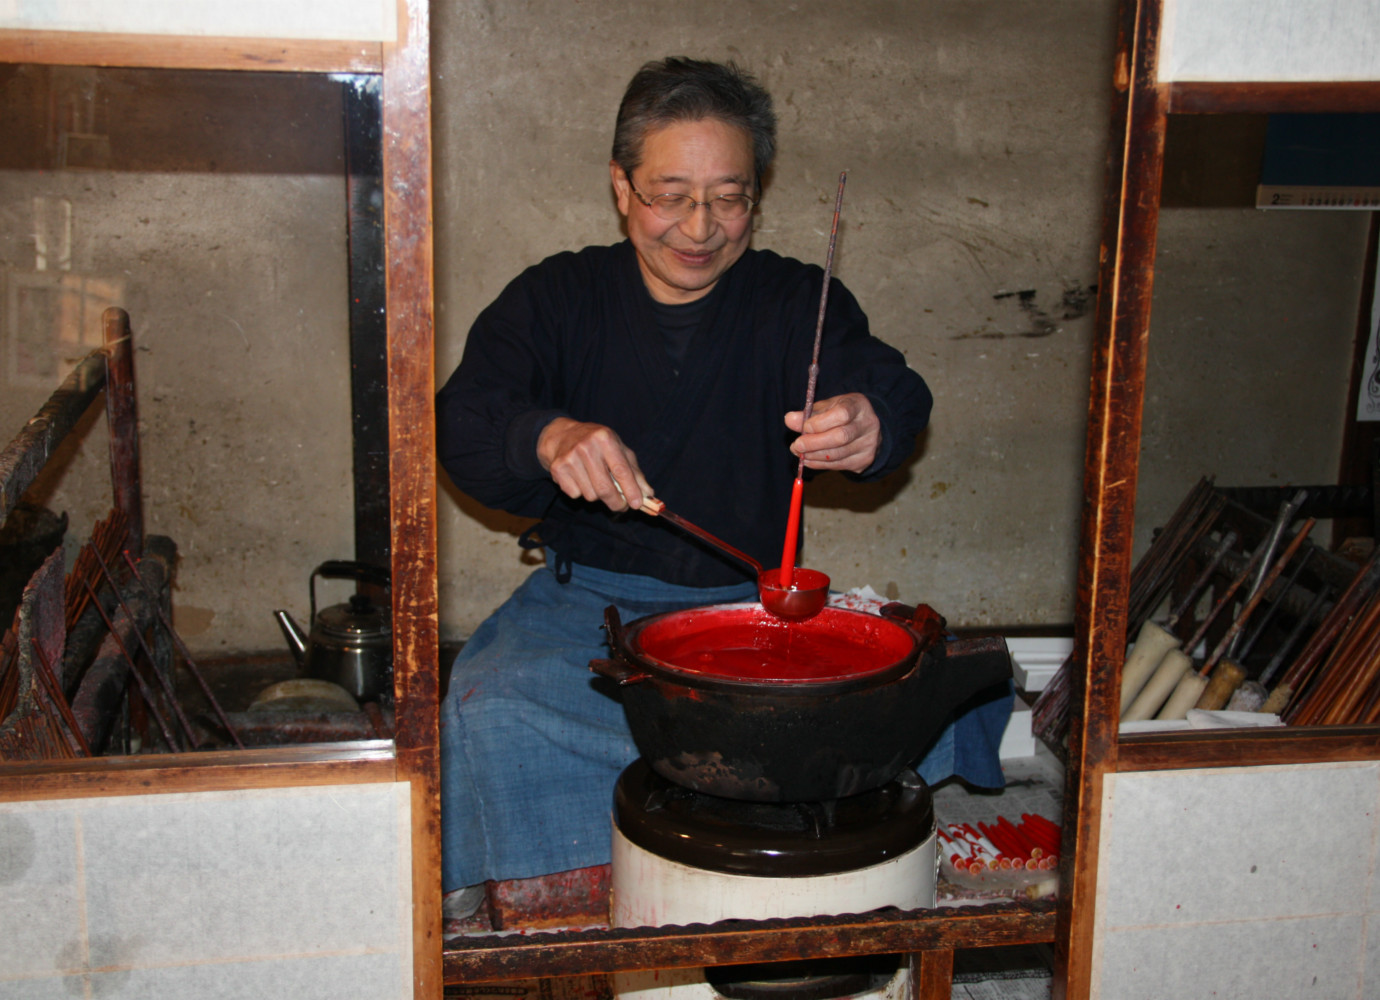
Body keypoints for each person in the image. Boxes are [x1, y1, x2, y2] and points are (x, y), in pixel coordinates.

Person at [435, 56, 1005, 916]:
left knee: (922, 692)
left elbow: (893, 387)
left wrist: (870, 419)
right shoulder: (555, 298)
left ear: (757, 199)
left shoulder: (793, 302)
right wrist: (544, 434)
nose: (700, 228)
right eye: (670, 194)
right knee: (491, 704)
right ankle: (563, 897)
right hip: (583, 610)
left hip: (753, 612)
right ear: (622, 188)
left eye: (729, 197)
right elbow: (462, 419)